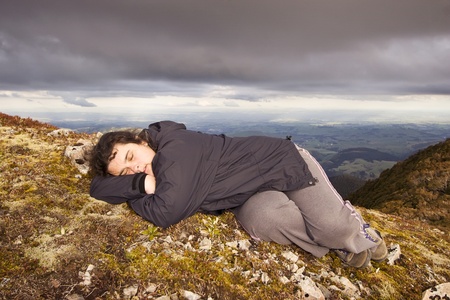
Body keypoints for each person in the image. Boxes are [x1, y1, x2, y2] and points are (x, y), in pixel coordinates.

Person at [88, 121, 388, 268]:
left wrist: (142, 188)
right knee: (263, 221)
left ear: (140, 140)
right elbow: (97, 188)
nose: (136, 167)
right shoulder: (152, 168)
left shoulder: (176, 149)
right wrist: (142, 185)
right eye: (125, 172)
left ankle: (354, 231)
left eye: (130, 156)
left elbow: (166, 211)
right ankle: (336, 242)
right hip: (247, 193)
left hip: (282, 164)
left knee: (334, 227)